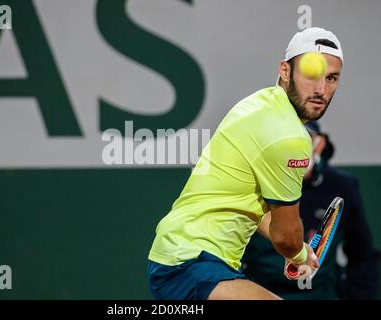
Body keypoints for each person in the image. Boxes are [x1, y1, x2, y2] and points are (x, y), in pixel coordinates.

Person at [147, 27, 344, 300]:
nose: (321, 89)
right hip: (192, 262)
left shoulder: (256, 105)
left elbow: (251, 206)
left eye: (331, 78)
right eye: (311, 73)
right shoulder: (289, 137)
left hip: (178, 256)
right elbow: (285, 235)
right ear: (285, 71)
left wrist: (294, 250)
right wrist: (298, 254)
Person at [242, 121, 379, 300]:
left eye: (303, 138)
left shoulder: (343, 186)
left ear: (319, 143)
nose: (295, 148)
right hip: (260, 292)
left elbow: (362, 258)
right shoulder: (250, 184)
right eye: (286, 141)